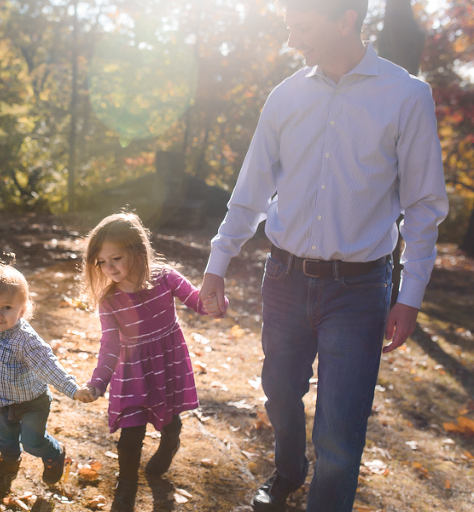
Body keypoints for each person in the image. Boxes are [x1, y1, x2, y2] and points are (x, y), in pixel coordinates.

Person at [199, 1, 448, 511]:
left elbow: (423, 206)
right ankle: (289, 468)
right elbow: (251, 188)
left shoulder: (406, 96)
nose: (294, 42)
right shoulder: (285, 96)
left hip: (360, 292)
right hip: (285, 278)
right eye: (290, 29)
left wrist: (410, 294)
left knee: (340, 426)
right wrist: (217, 263)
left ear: (345, 20)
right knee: (280, 393)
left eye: (304, 29)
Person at [75, 212, 218, 512]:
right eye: (103, 262)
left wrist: (216, 301)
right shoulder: (110, 301)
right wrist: (98, 381)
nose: (109, 267)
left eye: (116, 258)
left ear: (137, 251)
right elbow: (110, 344)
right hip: (133, 373)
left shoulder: (165, 278)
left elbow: (198, 303)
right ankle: (125, 489)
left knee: (170, 418)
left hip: (167, 362)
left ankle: (170, 443)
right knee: (131, 435)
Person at [0, 263, 91, 488]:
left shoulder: (24, 339)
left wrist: (73, 389)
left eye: (7, 307)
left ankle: (54, 454)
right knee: (5, 438)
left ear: (22, 309)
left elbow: (48, 366)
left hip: (32, 403)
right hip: (0, 400)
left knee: (32, 443)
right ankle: (9, 464)